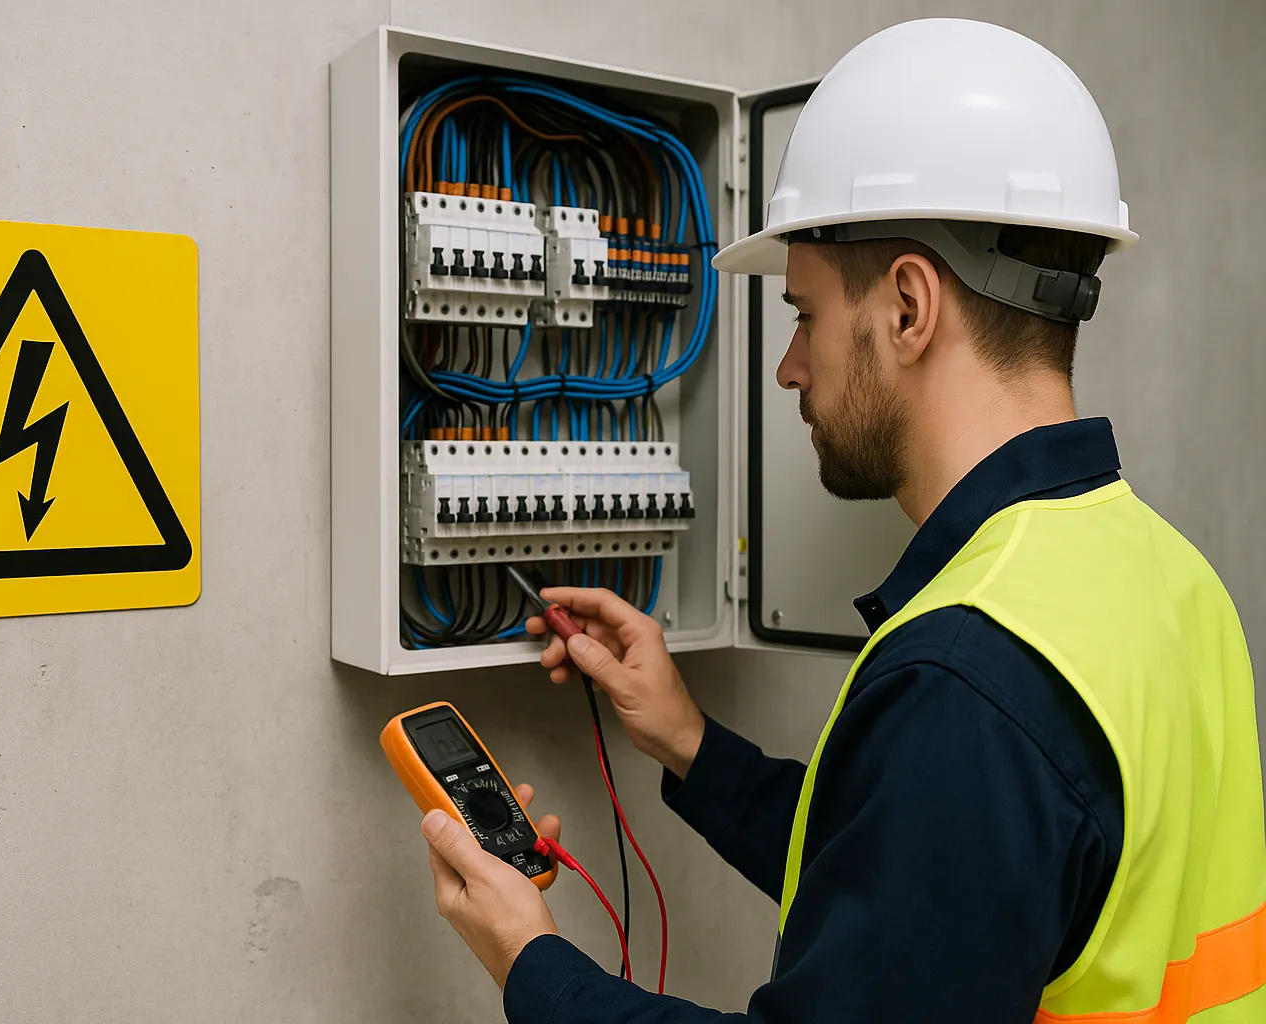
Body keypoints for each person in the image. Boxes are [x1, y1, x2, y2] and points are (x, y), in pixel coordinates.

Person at [415, 18, 1266, 1024]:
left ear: (908, 306)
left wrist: (529, 958)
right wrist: (691, 741)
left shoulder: (968, 674)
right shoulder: (1167, 576)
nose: (789, 368)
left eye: (804, 315)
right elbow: (932, 904)